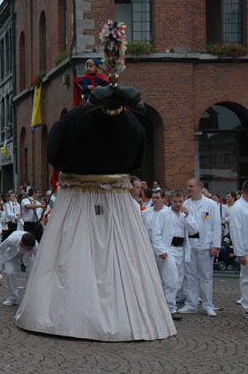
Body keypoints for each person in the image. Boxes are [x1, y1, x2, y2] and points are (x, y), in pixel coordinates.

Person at [15, 77, 176, 341]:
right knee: (125, 255)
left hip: (77, 199)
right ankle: (129, 313)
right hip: (116, 201)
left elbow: (54, 154)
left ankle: (69, 315)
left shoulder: (72, 121)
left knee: (70, 251)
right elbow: (136, 161)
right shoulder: (133, 125)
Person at [151, 190, 198, 314]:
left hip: (181, 249)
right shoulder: (163, 214)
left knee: (179, 280)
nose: (178, 204)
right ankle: (170, 307)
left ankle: (168, 303)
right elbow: (156, 233)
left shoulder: (184, 215)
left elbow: (194, 230)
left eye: (180, 201)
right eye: (175, 201)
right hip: (168, 249)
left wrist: (188, 216)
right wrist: (160, 250)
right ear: (171, 200)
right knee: (171, 279)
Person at [181, 178, 221, 316]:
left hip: (206, 244)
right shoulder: (186, 204)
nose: (188, 189)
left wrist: (215, 245)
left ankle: (208, 305)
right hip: (190, 245)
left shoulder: (211, 204)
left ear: (199, 187)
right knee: (190, 276)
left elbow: (216, 225)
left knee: (206, 276)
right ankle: (191, 304)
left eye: (191, 186)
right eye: (187, 186)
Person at [229, 180, 248, 320]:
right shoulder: (238, 208)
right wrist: (240, 252)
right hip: (247, 249)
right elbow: (235, 231)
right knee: (247, 279)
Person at [0, 231, 37, 306]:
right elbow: (0, 250)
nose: (30, 249)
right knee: (10, 273)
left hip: (28, 256)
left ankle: (31, 297)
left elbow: (39, 259)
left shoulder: (35, 246)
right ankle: (13, 298)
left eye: (31, 249)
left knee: (32, 274)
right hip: (11, 255)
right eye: (28, 248)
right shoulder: (11, 239)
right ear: (22, 243)